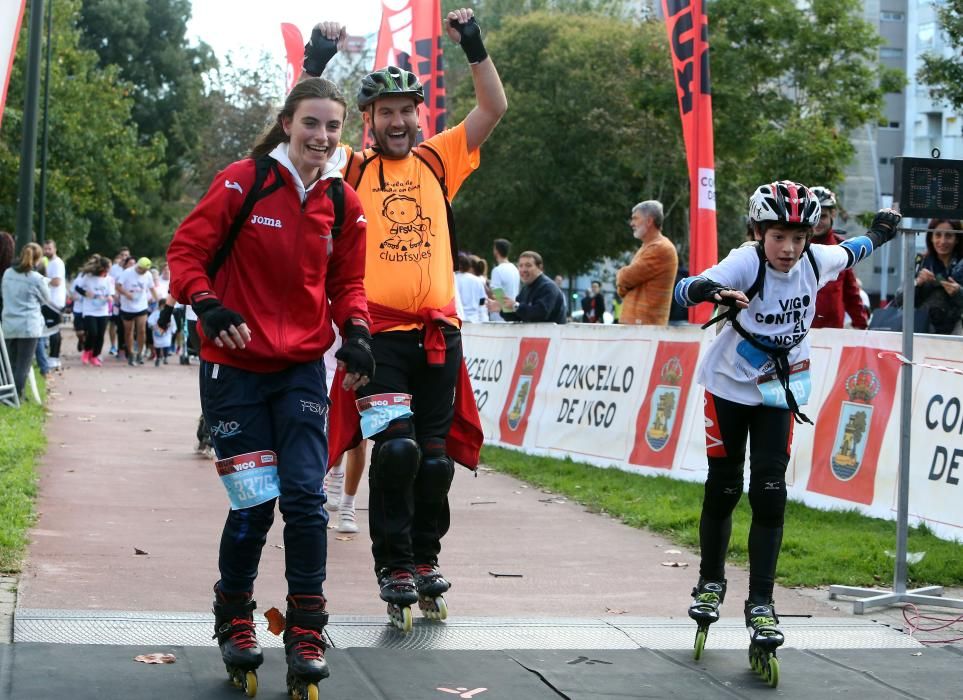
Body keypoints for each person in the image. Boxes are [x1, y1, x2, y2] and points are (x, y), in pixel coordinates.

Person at [167, 77, 374, 694]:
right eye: (312, 123)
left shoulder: (342, 202)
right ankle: (235, 617)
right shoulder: (244, 180)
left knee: (307, 499)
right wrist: (208, 306)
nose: (322, 136)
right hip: (234, 370)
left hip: (302, 370)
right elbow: (186, 253)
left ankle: (306, 628)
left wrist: (357, 332)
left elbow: (349, 285)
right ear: (287, 124)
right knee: (255, 504)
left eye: (333, 126)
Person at [306, 6, 502, 628]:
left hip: (439, 337)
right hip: (377, 339)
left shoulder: (440, 160)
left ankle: (424, 559)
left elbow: (493, 108)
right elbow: (298, 134)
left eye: (406, 110)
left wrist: (472, 43)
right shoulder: (349, 168)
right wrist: (315, 65)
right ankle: (392, 563)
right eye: (385, 112)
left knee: (436, 460)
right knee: (396, 452)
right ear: (367, 121)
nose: (398, 120)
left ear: (419, 115)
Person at [673, 180, 900, 671]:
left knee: (771, 490)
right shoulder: (746, 261)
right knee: (725, 487)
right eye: (779, 237)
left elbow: (856, 250)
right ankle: (711, 581)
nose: (789, 249)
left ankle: (762, 603)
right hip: (729, 386)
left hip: (779, 388)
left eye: (799, 238)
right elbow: (683, 289)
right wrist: (713, 290)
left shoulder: (817, 260)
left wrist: (883, 230)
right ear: (758, 232)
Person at [808, 187, 868, 329]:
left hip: (833, 333)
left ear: (833, 214)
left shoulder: (842, 247)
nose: (817, 222)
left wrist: (862, 325)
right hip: (797, 332)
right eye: (813, 217)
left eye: (822, 216)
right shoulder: (795, 247)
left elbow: (851, 292)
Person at [617, 200, 679, 325]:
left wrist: (621, 275)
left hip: (646, 328)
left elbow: (626, 278)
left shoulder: (661, 248)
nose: (632, 223)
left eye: (635, 218)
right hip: (638, 327)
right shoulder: (648, 246)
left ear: (649, 221)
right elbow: (623, 286)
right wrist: (623, 281)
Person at [2, 243, 50, 400]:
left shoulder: (8, 273)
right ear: (37, 259)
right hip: (28, 325)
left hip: (9, 323)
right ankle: (16, 397)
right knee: (24, 364)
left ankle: (10, 394)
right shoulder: (37, 279)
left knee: (12, 363)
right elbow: (46, 299)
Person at [905, 219, 963, 335]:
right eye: (937, 235)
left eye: (948, 236)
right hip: (923, 329)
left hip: (957, 329)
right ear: (931, 237)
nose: (942, 241)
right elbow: (900, 299)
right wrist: (917, 282)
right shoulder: (921, 262)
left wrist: (958, 292)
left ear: (957, 239)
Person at [492, 251, 566, 323]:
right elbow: (517, 316)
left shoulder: (549, 287)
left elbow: (540, 313)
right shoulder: (525, 289)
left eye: (528, 265)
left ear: (540, 267)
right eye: (520, 266)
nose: (523, 270)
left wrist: (515, 306)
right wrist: (502, 309)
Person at [117, 256, 158, 365]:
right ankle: (130, 353)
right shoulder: (127, 273)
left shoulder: (148, 275)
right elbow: (118, 286)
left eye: (145, 270)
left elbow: (152, 288)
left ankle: (140, 353)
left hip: (141, 306)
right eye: (141, 270)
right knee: (129, 331)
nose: (143, 272)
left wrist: (158, 301)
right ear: (138, 266)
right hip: (127, 307)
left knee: (142, 330)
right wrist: (126, 294)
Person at [76, 255, 114, 366]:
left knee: (100, 335)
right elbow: (78, 288)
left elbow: (111, 294)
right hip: (89, 310)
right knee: (92, 332)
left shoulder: (109, 279)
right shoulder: (88, 277)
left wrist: (109, 298)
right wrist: (86, 293)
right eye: (109, 267)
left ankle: (95, 355)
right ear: (103, 267)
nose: (110, 269)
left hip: (103, 310)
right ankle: (87, 352)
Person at [41, 239, 65, 368]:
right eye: (45, 248)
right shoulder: (45, 262)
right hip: (47, 300)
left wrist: (41, 280)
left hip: (55, 301)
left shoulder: (57, 263)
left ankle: (54, 357)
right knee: (47, 328)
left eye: (49, 248)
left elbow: (56, 282)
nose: (47, 251)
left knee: (54, 329)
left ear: (55, 249)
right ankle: (49, 355)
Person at [489, 238, 520, 322]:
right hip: (513, 313)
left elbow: (497, 293)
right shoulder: (515, 269)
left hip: (500, 316)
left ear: (496, 251)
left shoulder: (497, 270)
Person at [455, 252, 487, 323]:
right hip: (475, 319)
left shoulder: (454, 279)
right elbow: (482, 302)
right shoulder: (478, 280)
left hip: (459, 319)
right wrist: (484, 319)